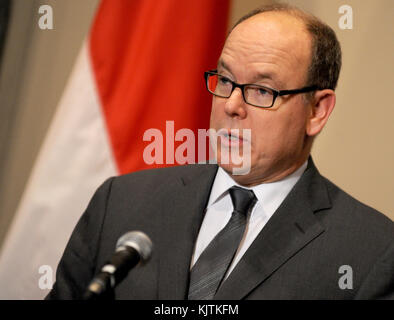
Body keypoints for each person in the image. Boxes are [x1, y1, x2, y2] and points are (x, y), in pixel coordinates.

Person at [47, 4, 394, 300]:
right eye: (225, 81)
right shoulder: (121, 202)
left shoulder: (370, 252)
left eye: (261, 90)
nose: (231, 105)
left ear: (317, 110)